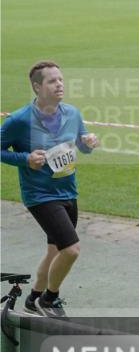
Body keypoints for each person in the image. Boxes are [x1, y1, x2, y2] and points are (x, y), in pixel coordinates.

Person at [1, 61, 99, 318]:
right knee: (72, 249)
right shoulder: (19, 120)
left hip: (68, 191)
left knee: (54, 251)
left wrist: (89, 142)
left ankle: (33, 298)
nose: (60, 85)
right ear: (37, 86)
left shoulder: (72, 113)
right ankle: (49, 299)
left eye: (61, 80)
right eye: (52, 81)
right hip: (40, 196)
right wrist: (25, 159)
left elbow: (83, 145)